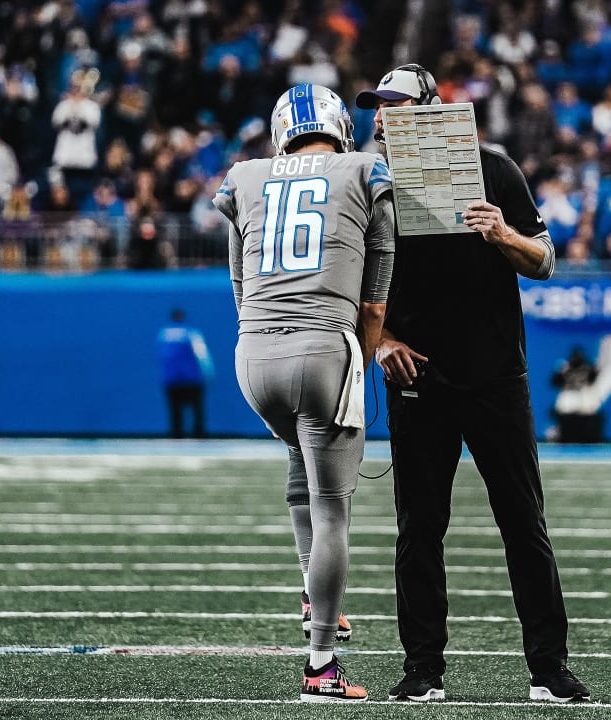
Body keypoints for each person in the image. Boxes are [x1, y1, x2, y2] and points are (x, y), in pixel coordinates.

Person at [356, 64, 591, 703]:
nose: (381, 115)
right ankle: (423, 670)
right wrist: (385, 344)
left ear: (432, 107)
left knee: (522, 521)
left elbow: (544, 261)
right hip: (418, 375)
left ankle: (549, 668)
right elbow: (350, 292)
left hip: (494, 372)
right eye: (377, 106)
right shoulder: (369, 182)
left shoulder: (494, 169)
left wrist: (502, 233)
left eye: (395, 104)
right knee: (419, 527)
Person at [214, 83, 394, 703]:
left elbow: (239, 285)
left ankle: (311, 592)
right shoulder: (365, 167)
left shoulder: (244, 175)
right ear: (341, 125)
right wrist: (361, 360)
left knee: (300, 464)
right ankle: (321, 665)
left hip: (253, 356)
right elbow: (375, 296)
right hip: (324, 345)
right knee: (333, 508)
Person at [156, 308, 212, 438]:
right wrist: (208, 373)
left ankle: (176, 434)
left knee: (175, 409)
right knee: (196, 408)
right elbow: (202, 355)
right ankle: (199, 434)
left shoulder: (163, 334)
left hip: (171, 379)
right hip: (191, 378)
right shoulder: (191, 334)